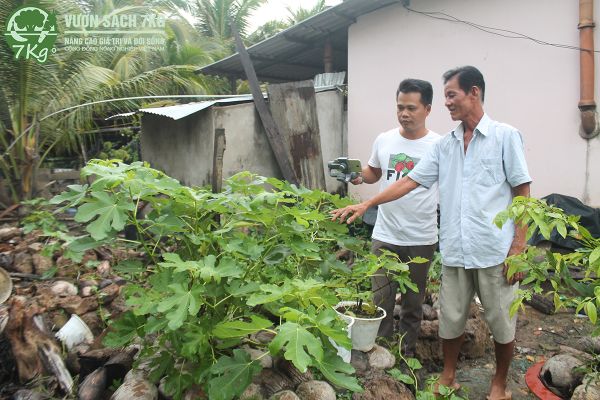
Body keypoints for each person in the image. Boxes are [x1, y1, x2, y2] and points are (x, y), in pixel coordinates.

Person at [332, 66, 531, 400]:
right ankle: (448, 375)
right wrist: (367, 206)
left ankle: (499, 382)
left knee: (500, 321)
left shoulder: (504, 136)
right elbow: (408, 181)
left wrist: (519, 245)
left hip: (492, 250)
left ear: (474, 92)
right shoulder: (447, 145)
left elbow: (522, 192)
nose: (447, 103)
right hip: (455, 250)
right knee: (450, 319)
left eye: (451, 95)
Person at [352, 78, 441, 356]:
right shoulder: (385, 139)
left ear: (427, 108)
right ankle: (380, 352)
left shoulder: (439, 145)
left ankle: (406, 353)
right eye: (400, 107)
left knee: (413, 304)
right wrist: (357, 176)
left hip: (421, 236)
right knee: (380, 299)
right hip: (385, 233)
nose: (404, 113)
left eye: (411, 108)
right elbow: (374, 173)